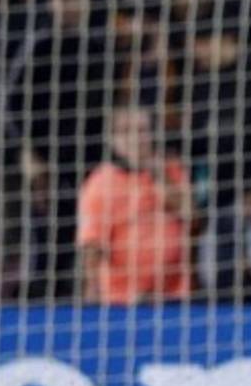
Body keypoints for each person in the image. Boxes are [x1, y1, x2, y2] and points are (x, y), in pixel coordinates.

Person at [76, 104, 194, 304]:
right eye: (125, 131)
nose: (135, 139)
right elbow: (92, 245)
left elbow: (192, 216)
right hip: (122, 300)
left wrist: (160, 176)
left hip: (174, 295)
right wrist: (92, 292)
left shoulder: (172, 169)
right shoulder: (99, 182)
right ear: (113, 140)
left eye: (141, 130)